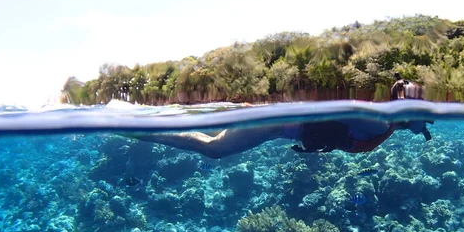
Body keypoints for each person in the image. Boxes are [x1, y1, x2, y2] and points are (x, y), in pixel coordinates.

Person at [129, 79, 431, 158]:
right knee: (213, 148)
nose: (424, 129)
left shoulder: (383, 124)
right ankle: (138, 125)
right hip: (279, 123)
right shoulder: (379, 120)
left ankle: (140, 120)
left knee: (214, 142)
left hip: (281, 123)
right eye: (425, 120)